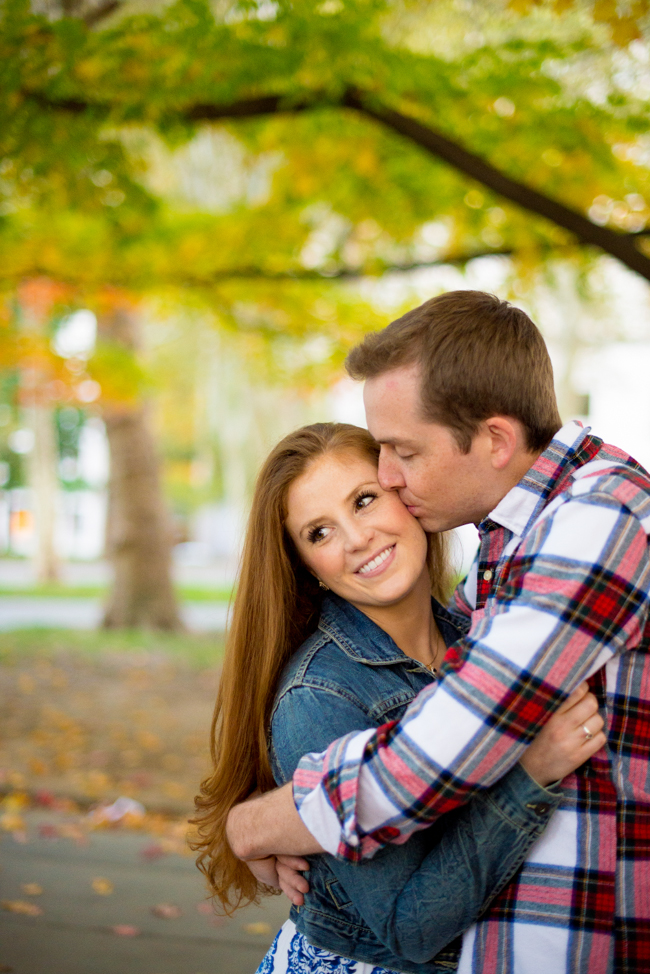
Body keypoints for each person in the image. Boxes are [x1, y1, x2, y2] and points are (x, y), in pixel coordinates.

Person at [226, 292, 650, 974]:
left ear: (494, 439)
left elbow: (437, 751)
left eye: (401, 455)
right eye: (319, 532)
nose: (390, 478)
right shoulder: (504, 553)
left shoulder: (596, 522)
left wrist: (258, 823)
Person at [193, 421, 605, 974]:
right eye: (319, 533)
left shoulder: (481, 634)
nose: (357, 538)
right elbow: (412, 928)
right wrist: (529, 774)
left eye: (364, 500)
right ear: (306, 569)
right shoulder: (319, 697)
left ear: (405, 491)